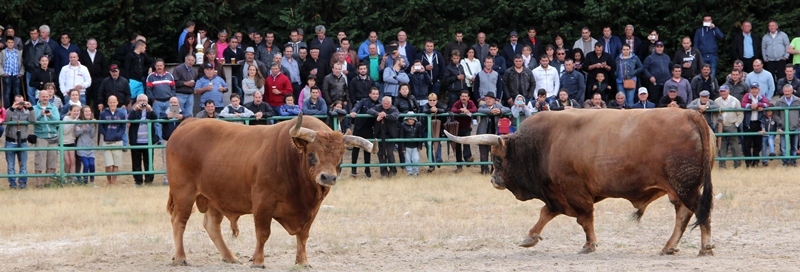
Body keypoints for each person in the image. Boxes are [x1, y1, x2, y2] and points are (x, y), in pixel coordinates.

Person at [349, 87, 381, 178]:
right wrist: (353, 111)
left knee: (367, 150)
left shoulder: (379, 104)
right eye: (373, 94)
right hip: (359, 127)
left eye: (377, 94)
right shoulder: (363, 101)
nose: (375, 95)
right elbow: (356, 107)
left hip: (369, 129)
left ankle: (367, 171)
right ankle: (353, 169)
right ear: (370, 94)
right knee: (355, 149)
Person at [4, 95, 35, 189]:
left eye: (21, 102)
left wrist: (30, 108)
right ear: (14, 102)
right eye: (18, 102)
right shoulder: (9, 111)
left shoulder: (27, 112)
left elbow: (33, 120)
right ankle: (12, 184)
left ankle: (22, 183)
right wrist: (12, 108)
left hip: (23, 141)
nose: (20, 104)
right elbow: (5, 119)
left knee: (23, 164)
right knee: (10, 165)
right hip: (10, 140)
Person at [127, 94, 158, 186]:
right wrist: (135, 109)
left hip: (148, 141)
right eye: (140, 100)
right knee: (136, 162)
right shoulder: (134, 111)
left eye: (144, 100)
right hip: (136, 141)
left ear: (147, 102)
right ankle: (138, 180)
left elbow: (155, 118)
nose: (142, 102)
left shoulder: (150, 111)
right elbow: (129, 119)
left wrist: (150, 109)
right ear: (137, 102)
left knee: (148, 161)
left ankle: (149, 180)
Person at [476, 92, 510, 174]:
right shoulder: (482, 106)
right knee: (483, 153)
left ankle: (493, 170)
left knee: (494, 153)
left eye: (490, 98)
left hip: (495, 134)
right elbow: (479, 110)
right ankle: (484, 170)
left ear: (494, 100)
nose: (488, 100)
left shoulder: (498, 106)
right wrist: (490, 111)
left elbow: (508, 109)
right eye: (486, 98)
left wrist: (500, 110)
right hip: (483, 133)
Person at [32, 90, 60, 187]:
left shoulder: (54, 108)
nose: (45, 98)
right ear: (39, 97)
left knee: (52, 160)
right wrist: (41, 115)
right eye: (43, 96)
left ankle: (47, 182)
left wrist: (50, 115)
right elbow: (33, 120)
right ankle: (38, 182)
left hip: (53, 136)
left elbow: (57, 121)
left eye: (47, 96)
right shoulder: (34, 108)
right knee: (39, 160)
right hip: (41, 136)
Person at [367, 96, 399, 177]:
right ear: (382, 102)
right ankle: (383, 172)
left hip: (390, 135)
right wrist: (378, 114)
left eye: (387, 104)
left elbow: (395, 116)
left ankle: (393, 171)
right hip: (379, 134)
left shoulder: (394, 109)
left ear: (390, 103)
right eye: (384, 103)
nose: (385, 105)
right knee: (380, 154)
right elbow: (369, 110)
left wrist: (385, 115)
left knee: (390, 153)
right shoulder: (378, 107)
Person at [741, 82, 770, 168]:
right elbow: (743, 104)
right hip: (748, 123)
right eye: (752, 89)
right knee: (747, 144)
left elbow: (767, 104)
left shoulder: (761, 97)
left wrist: (758, 105)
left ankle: (756, 162)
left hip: (758, 123)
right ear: (750, 90)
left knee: (757, 144)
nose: (754, 90)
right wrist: (750, 106)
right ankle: (748, 163)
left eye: (756, 88)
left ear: (759, 90)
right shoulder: (747, 96)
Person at [715, 85, 744, 169]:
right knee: (721, 145)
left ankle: (737, 164)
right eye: (721, 91)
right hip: (720, 125)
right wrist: (716, 124)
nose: (722, 93)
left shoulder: (735, 101)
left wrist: (737, 124)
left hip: (731, 125)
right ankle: (722, 165)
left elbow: (740, 113)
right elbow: (714, 114)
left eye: (724, 91)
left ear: (728, 91)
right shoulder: (716, 101)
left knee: (734, 145)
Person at [23, 27, 53, 103]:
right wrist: (26, 64)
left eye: (35, 33)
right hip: (30, 71)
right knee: (30, 92)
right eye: (31, 34)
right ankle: (33, 110)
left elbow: (50, 55)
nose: (33, 35)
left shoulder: (44, 44)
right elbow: (24, 56)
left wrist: (44, 64)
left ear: (38, 34)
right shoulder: (27, 44)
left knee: (43, 91)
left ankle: (44, 107)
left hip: (41, 71)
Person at [773, 84, 800, 166]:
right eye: (785, 91)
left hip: (795, 126)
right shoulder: (779, 101)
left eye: (788, 91)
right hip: (783, 127)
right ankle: (785, 161)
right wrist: (780, 122)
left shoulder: (798, 100)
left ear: (792, 91)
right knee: (784, 146)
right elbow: (775, 114)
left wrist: (798, 121)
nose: (787, 93)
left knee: (794, 146)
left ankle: (793, 161)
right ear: (783, 91)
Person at [450, 90, 477, 173]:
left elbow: (475, 109)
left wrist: (467, 110)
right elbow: (453, 109)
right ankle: (459, 166)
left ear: (468, 97)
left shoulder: (471, 102)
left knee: (466, 143)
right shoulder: (457, 103)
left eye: (465, 96)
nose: (464, 98)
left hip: (466, 127)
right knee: (457, 148)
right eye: (462, 96)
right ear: (460, 97)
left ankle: (468, 159)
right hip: (457, 128)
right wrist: (461, 110)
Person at [1, 36, 25, 108]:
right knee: (7, 92)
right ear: (6, 43)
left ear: (14, 43)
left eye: (12, 42)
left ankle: (18, 106)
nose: (10, 44)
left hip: (16, 74)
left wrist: (21, 72)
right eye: (9, 42)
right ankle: (7, 108)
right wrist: (2, 73)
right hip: (7, 74)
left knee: (17, 92)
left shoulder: (18, 52)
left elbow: (22, 63)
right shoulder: (3, 52)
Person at [75, 106, 96, 185]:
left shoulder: (92, 122)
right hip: (81, 147)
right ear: (83, 113)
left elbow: (92, 135)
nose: (88, 113)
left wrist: (93, 126)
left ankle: (92, 180)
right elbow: (76, 134)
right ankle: (85, 181)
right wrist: (82, 129)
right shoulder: (79, 122)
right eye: (86, 111)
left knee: (92, 164)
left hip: (90, 147)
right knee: (86, 164)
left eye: (89, 111)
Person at [399, 112, 424, 177]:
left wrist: (419, 146)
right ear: (407, 119)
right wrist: (403, 148)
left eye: (413, 119)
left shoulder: (418, 125)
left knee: (415, 158)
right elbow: (401, 136)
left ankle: (416, 171)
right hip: (407, 146)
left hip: (415, 146)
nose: (411, 121)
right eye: (410, 119)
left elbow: (420, 135)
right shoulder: (403, 125)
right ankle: (409, 172)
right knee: (407, 159)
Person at [62, 104, 81, 183]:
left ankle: (73, 178)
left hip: (72, 142)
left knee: (73, 161)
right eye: (74, 111)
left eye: (77, 111)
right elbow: (65, 131)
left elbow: (77, 133)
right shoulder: (66, 118)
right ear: (70, 111)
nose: (76, 112)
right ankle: (65, 177)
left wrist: (78, 129)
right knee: (67, 162)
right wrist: (73, 122)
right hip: (64, 142)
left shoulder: (78, 120)